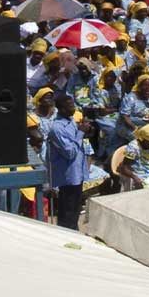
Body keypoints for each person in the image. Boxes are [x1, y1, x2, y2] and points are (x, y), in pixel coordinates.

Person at [42, 94, 89, 229]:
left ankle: (74, 229)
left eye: (73, 105)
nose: (73, 108)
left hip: (77, 173)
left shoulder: (71, 121)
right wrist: (80, 132)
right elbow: (69, 152)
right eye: (70, 106)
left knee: (75, 208)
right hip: (67, 176)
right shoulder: (57, 128)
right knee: (67, 211)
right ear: (61, 109)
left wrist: (85, 131)